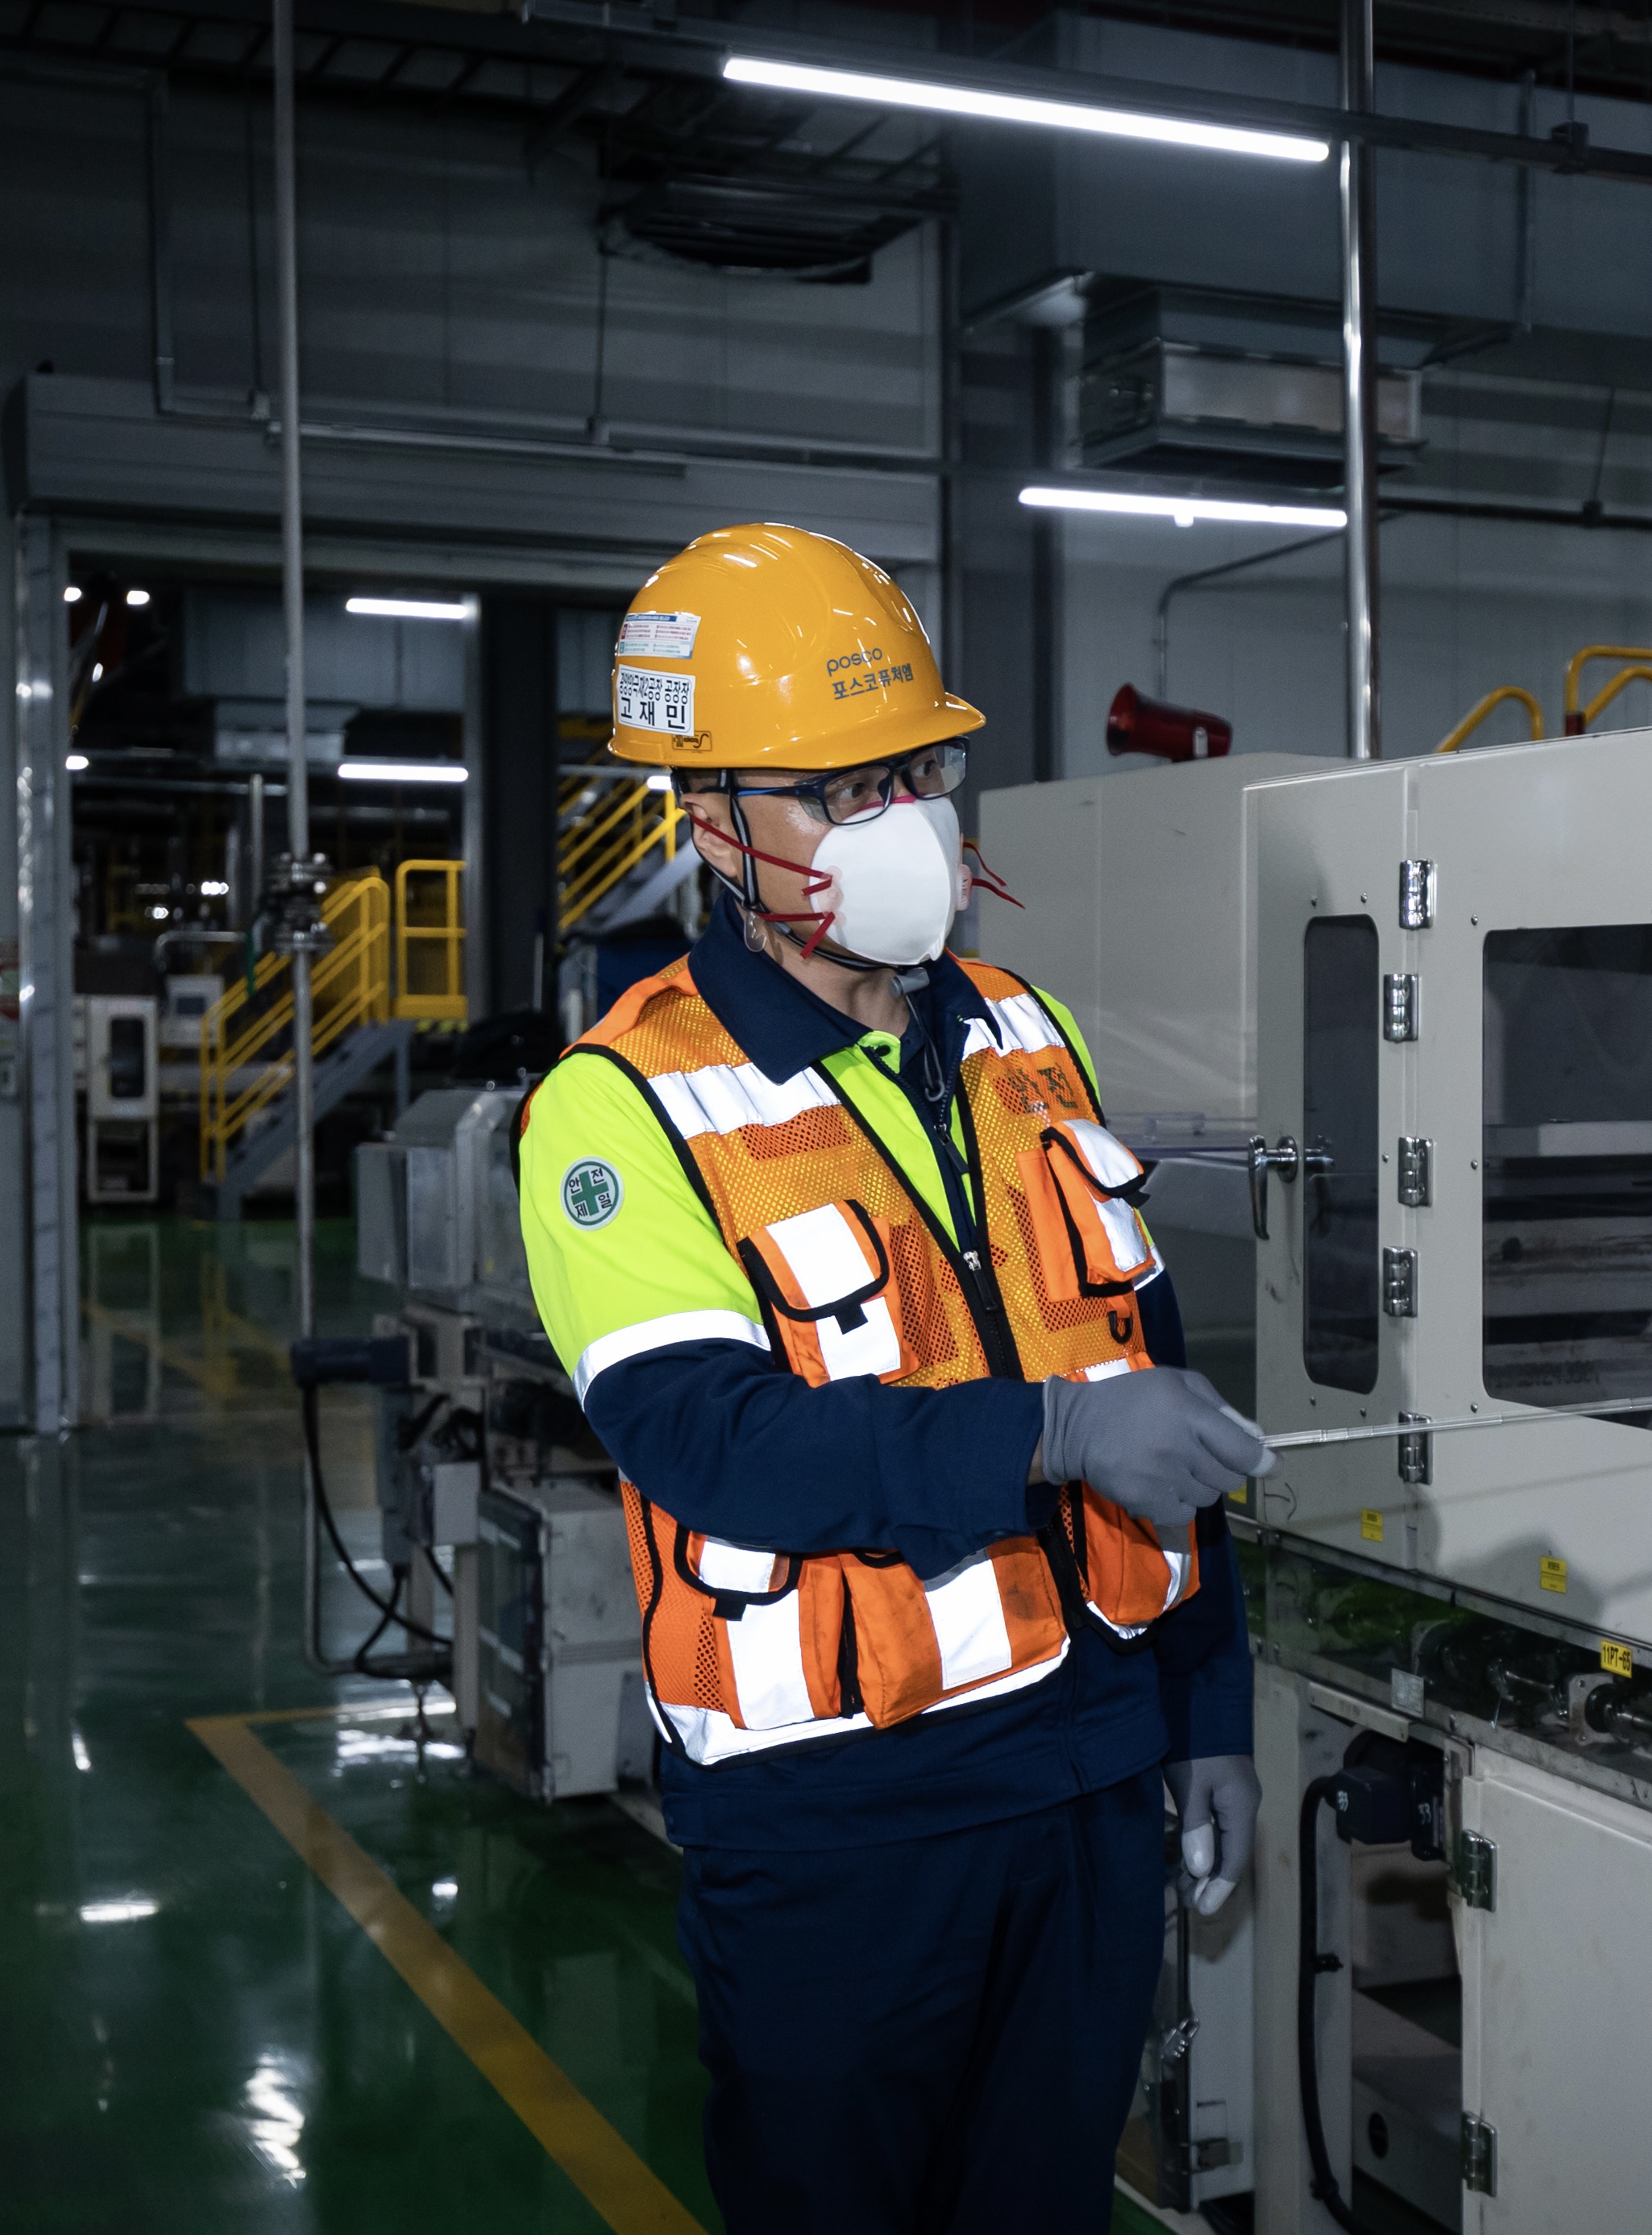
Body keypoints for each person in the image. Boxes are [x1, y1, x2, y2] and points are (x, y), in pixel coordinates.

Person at [517, 521, 1271, 2233]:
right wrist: (1057, 1430)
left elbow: (1143, 1374)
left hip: (1086, 1783)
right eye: (835, 790)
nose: (900, 823)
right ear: (709, 820)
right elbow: (714, 1440)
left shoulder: (1022, 1034)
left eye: (914, 773)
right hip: (841, 1830)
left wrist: (1205, 1711)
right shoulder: (624, 1105)